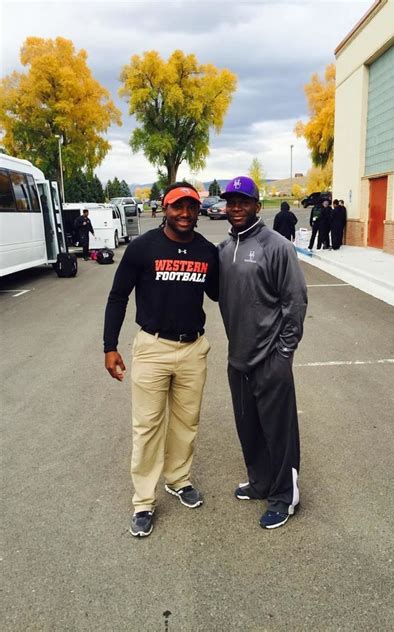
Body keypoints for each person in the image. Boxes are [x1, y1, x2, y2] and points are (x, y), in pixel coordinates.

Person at [103, 182, 218, 538]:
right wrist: (109, 346)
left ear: (198, 211)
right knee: (148, 426)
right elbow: (118, 296)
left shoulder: (207, 251)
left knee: (186, 422)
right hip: (153, 348)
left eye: (191, 207)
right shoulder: (143, 248)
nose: (185, 213)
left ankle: (178, 479)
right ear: (164, 209)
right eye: (177, 207)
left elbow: (219, 293)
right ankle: (143, 501)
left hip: (192, 349)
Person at [218, 176, 307, 530]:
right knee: (249, 428)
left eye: (244, 201)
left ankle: (285, 496)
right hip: (238, 358)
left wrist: (284, 352)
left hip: (271, 358)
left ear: (257, 206)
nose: (236, 207)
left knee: (279, 432)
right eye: (231, 202)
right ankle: (260, 482)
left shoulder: (277, 246)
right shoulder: (224, 249)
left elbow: (295, 301)